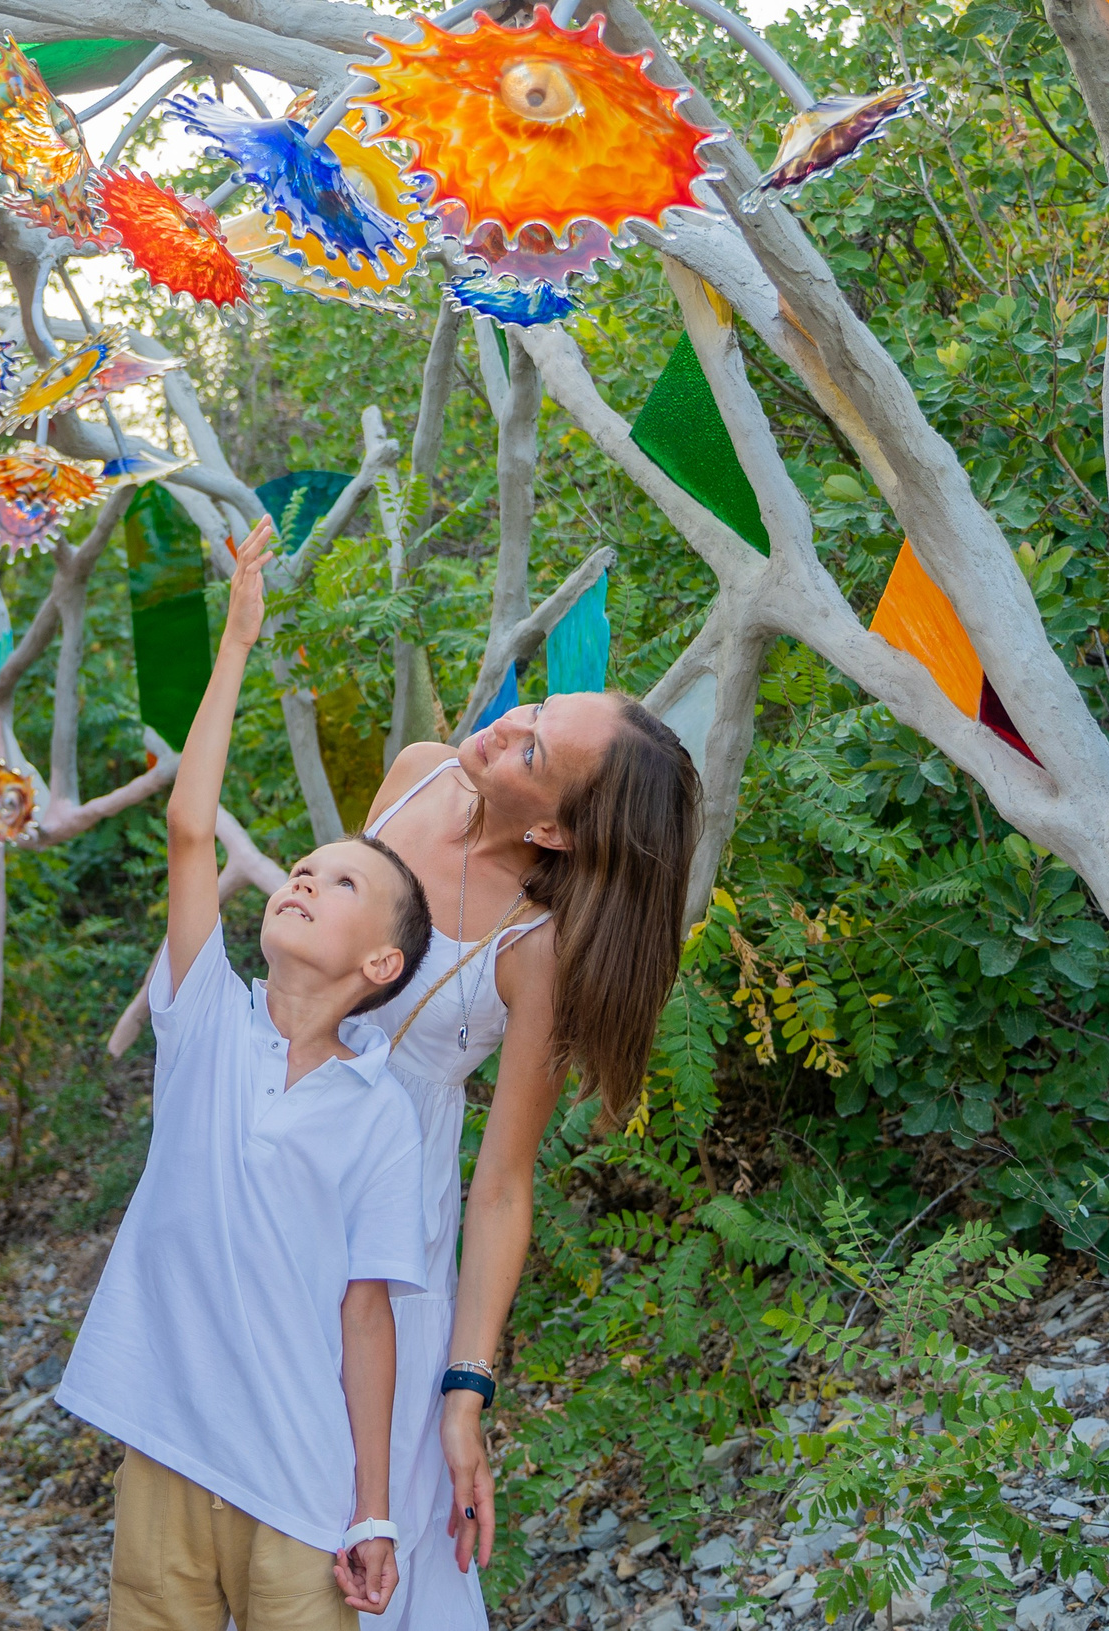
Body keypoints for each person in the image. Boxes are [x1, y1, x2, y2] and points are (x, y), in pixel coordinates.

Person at [58, 518, 434, 1630]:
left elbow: (368, 1319)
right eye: (302, 869)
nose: (306, 881)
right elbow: (187, 828)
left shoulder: (380, 1116)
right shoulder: (205, 1024)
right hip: (170, 1451)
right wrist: (235, 641)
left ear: (382, 964)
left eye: (341, 885)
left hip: (302, 1487)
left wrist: (371, 1509)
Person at [359, 685, 701, 1629]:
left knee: (352, 1513)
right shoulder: (412, 776)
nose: (508, 722)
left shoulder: (538, 949)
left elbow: (503, 1184)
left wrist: (467, 1387)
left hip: (387, 1235)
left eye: (534, 750)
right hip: (283, 1154)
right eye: (538, 705)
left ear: (552, 833)